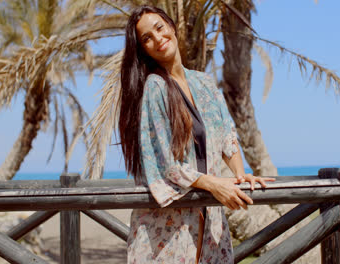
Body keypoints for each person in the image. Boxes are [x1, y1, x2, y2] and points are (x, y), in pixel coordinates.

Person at [118, 5, 275, 264]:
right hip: (166, 230)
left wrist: (239, 173)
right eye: (147, 38)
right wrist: (213, 184)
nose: (157, 38)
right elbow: (165, 163)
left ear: (172, 27)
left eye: (159, 28)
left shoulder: (204, 82)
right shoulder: (155, 87)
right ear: (143, 49)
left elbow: (227, 134)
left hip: (210, 220)